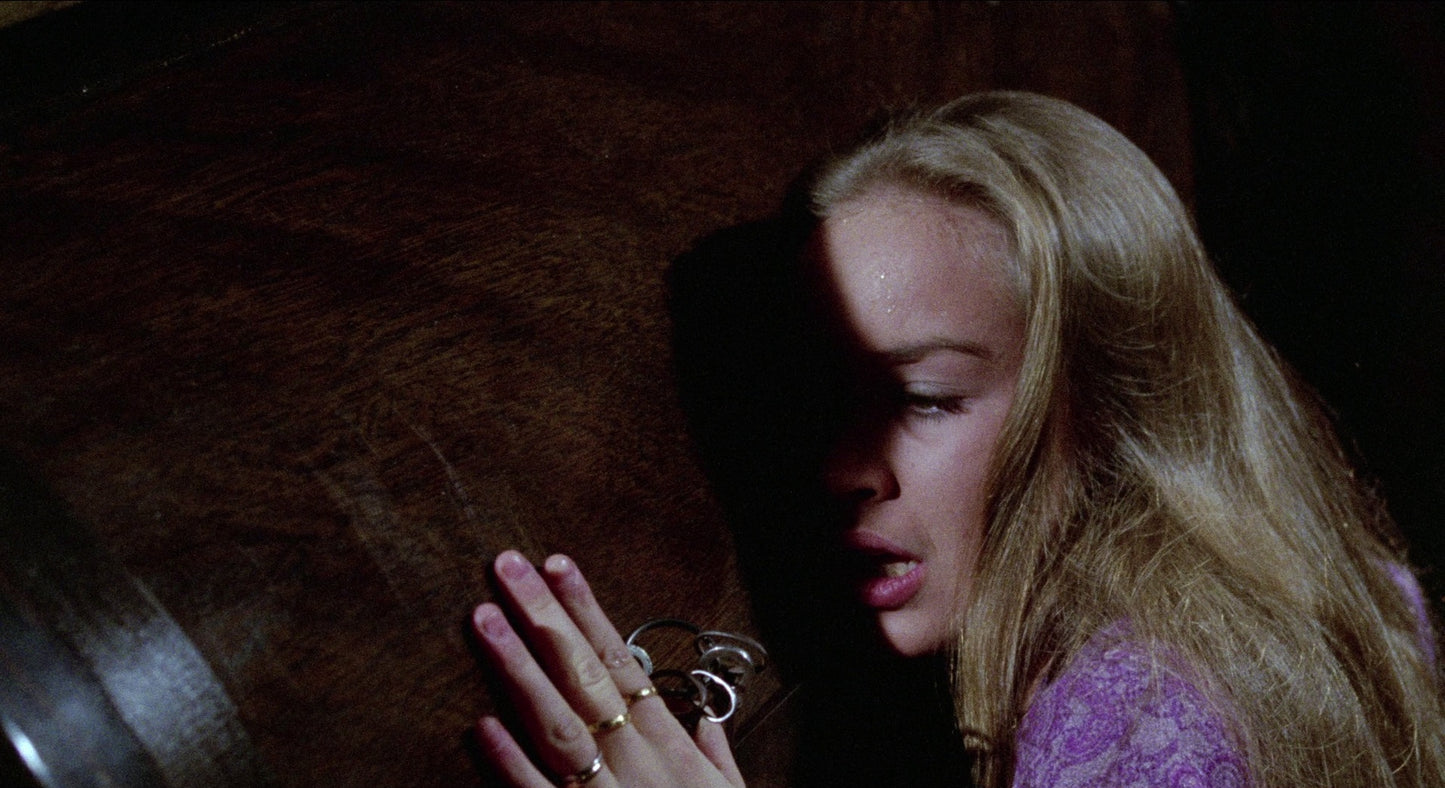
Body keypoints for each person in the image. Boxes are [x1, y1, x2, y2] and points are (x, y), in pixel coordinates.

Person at [469, 92, 1445, 787]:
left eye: (924, 396)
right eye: (822, 399)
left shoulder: (1131, 722)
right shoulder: (1345, 603)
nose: (840, 467)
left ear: (1107, 404)